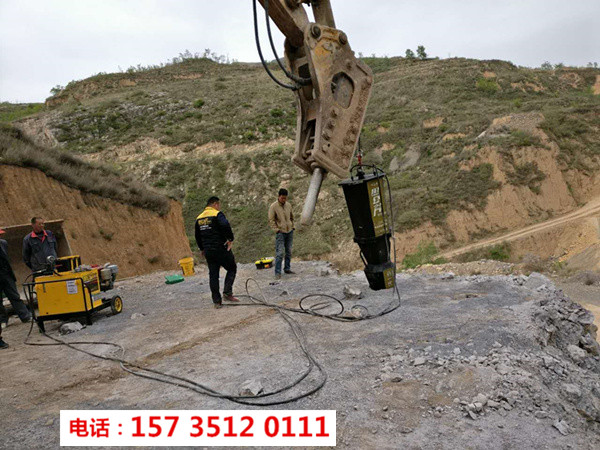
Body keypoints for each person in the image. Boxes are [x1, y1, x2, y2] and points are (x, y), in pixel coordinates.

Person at [195, 196, 239, 308]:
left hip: (209, 251)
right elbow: (225, 225)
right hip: (220, 248)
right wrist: (230, 239)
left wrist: (202, 248)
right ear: (215, 204)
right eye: (218, 205)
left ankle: (217, 302)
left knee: (213, 275)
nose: (219, 207)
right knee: (232, 268)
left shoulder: (199, 218)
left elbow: (197, 236)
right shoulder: (217, 214)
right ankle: (227, 293)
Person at [1, 228, 33, 349]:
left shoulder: (3, 243)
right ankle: (3, 320)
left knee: (14, 296)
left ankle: (25, 316)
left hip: (6, 275)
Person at [268, 188, 295, 279]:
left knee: (289, 251)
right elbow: (271, 220)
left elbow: (291, 217)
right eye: (282, 198)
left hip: (289, 231)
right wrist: (276, 230)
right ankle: (277, 272)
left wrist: (292, 226)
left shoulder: (288, 205)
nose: (284, 200)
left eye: (285, 198)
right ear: (278, 197)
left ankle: (287, 268)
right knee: (279, 253)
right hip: (280, 232)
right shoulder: (273, 206)